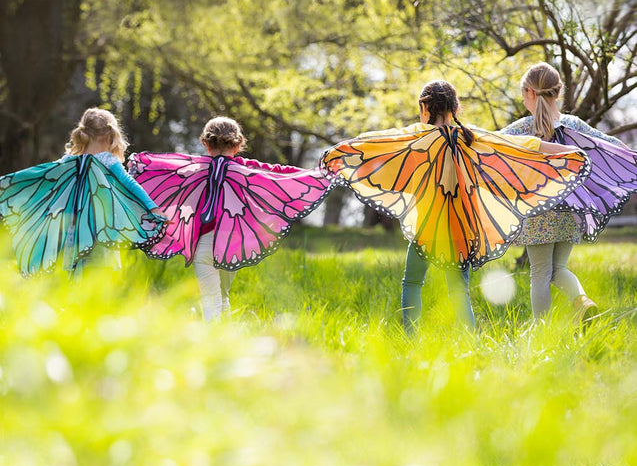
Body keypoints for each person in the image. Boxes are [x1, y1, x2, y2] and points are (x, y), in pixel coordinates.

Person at [320, 80, 590, 333]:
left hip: (427, 226)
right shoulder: (470, 137)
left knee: (412, 282)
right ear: (456, 108)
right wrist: (566, 153)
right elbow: (520, 146)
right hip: (461, 227)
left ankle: (410, 336)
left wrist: (338, 151)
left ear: (424, 109)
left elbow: (377, 142)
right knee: (458, 290)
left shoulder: (416, 137)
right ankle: (469, 339)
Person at [128, 116, 333, 321]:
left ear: (206, 144)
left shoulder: (193, 168)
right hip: (233, 244)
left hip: (205, 244)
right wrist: (317, 174)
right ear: (237, 145)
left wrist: (137, 164)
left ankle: (215, 337)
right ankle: (224, 335)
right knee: (222, 295)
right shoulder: (247, 169)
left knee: (211, 296)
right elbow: (281, 174)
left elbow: (164, 168)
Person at [500, 62, 637, 321]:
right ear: (558, 92)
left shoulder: (521, 129)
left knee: (540, 273)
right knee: (557, 268)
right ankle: (582, 300)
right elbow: (609, 145)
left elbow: (490, 143)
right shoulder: (573, 124)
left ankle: (543, 331)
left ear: (529, 92)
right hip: (571, 209)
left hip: (537, 212)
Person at [0, 107, 166, 277]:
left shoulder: (68, 161)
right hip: (101, 230)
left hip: (72, 233)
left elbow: (38, 177)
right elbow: (130, 184)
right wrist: (153, 209)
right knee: (99, 277)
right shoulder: (108, 161)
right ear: (110, 135)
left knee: (74, 277)